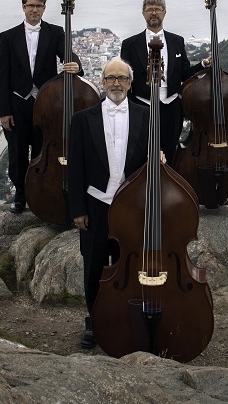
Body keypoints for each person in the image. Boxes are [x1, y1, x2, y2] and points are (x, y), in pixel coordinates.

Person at [67, 58, 149, 349]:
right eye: (111, 78)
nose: (116, 83)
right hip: (95, 204)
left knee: (130, 266)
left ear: (130, 83)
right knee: (95, 269)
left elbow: (153, 161)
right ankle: (94, 320)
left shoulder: (147, 115)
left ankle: (128, 317)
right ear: (102, 83)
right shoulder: (82, 119)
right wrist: (77, 210)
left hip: (132, 208)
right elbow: (74, 168)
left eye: (122, 78)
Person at [0, 0, 81, 214]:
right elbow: (1, 77)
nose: (34, 9)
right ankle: (21, 195)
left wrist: (76, 64)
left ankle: (41, 193)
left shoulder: (55, 32)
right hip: (16, 104)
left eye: (39, 6)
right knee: (17, 152)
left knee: (42, 152)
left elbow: (68, 54)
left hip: (44, 104)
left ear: (44, 8)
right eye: (31, 5)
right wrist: (4, 111)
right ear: (23, 7)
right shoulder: (8, 37)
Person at [119, 0, 208, 165]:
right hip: (142, 104)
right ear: (143, 14)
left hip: (171, 105)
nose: (154, 13)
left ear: (164, 13)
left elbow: (183, 74)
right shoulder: (130, 44)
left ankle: (168, 187)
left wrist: (202, 65)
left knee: (170, 150)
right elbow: (125, 78)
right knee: (141, 149)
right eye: (149, 10)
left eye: (158, 9)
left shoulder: (176, 41)